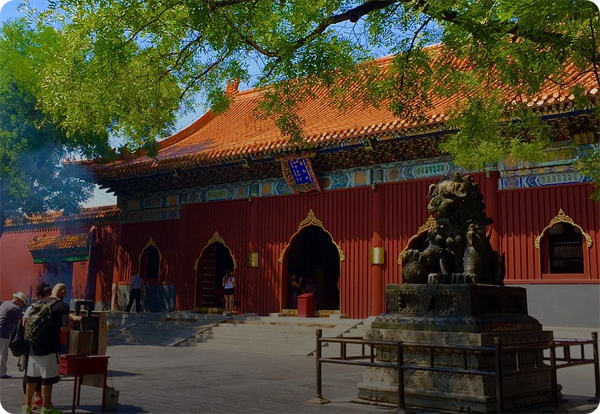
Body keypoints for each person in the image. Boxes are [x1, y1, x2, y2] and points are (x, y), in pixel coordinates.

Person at [23, 283, 80, 414]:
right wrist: (70, 326)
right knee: (47, 380)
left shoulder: (39, 303)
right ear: (63, 292)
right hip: (50, 348)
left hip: (33, 347)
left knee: (31, 378)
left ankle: (26, 407)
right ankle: (46, 408)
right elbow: (64, 328)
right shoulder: (62, 306)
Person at [21, 283, 52, 410]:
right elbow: (24, 323)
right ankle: (27, 400)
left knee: (38, 372)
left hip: (35, 343)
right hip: (31, 344)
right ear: (40, 296)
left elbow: (24, 323)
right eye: (47, 296)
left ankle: (38, 397)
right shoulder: (34, 307)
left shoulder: (38, 308)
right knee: (30, 374)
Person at [0, 291, 27, 379]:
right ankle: (1, 373)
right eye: (22, 302)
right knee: (3, 353)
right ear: (17, 300)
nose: (22, 305)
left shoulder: (5, 303)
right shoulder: (14, 308)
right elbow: (23, 320)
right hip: (3, 332)